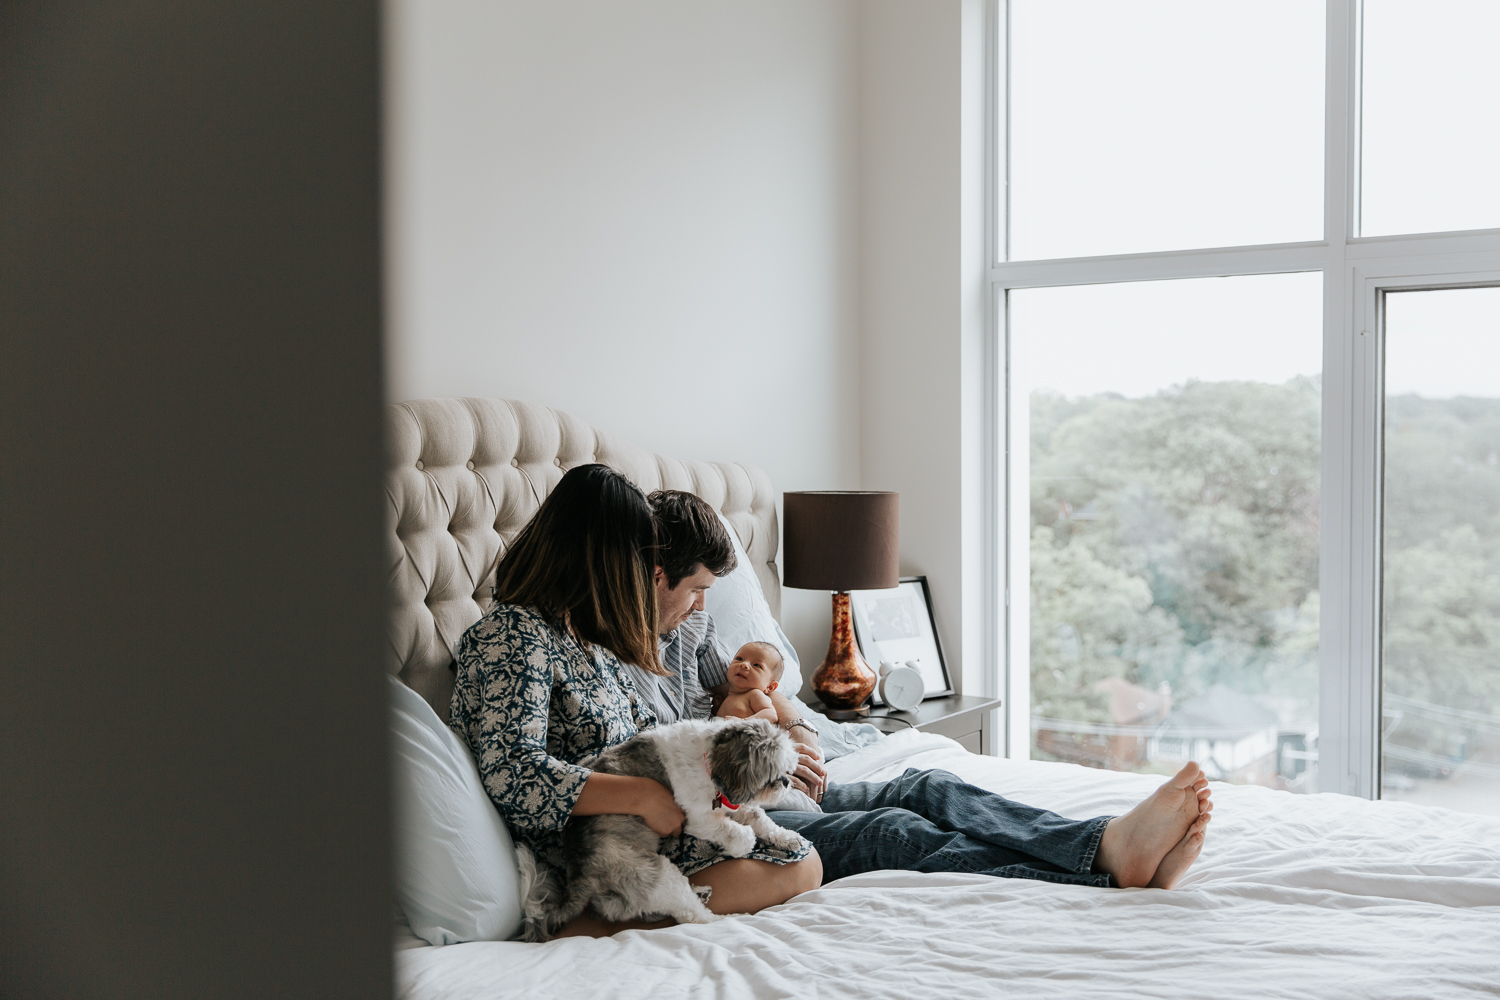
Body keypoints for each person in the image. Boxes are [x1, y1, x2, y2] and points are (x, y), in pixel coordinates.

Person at [638, 489, 1214, 894]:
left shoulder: (690, 629)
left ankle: (1102, 843)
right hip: (729, 814)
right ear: (657, 574)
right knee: (895, 831)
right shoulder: (604, 669)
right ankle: (1106, 872)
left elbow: (761, 684)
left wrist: (794, 731)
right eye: (695, 589)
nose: (703, 606)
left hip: (780, 782)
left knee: (929, 785)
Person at [448, 465, 823, 939]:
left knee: (799, 855)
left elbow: (643, 736)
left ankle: (647, 906)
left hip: (646, 827)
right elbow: (514, 774)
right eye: (638, 561)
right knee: (801, 864)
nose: (647, 576)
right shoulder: (511, 636)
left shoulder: (584, 637)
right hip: (587, 850)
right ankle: (591, 924)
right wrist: (644, 797)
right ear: (602, 558)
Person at [714, 642, 785, 723]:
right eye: (739, 659)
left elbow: (771, 715)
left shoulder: (754, 694)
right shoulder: (729, 696)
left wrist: (743, 721)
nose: (743, 664)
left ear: (770, 686)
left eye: (757, 665)